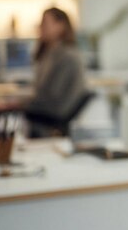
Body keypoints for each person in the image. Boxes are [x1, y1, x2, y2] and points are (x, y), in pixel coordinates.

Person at [24, 7, 86, 138]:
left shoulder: (66, 56)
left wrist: (20, 104)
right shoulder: (50, 53)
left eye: (45, 23)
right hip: (47, 111)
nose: (40, 27)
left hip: (54, 114)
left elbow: (51, 96)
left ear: (61, 26)